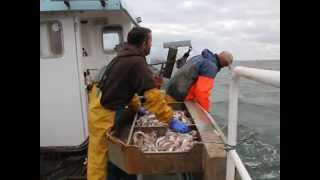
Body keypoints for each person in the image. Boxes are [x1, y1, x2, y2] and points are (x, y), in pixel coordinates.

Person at [87, 27, 190, 180]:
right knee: (103, 160)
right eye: (150, 41)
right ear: (143, 43)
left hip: (98, 108)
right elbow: (153, 97)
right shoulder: (136, 62)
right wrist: (170, 120)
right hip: (106, 114)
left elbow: (128, 88)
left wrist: (137, 107)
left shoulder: (123, 57)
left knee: (100, 155)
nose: (150, 45)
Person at [166, 49, 233, 111]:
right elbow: (202, 91)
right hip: (177, 96)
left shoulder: (200, 57)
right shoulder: (211, 67)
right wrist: (206, 111)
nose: (224, 67)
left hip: (170, 89)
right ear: (225, 63)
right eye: (226, 65)